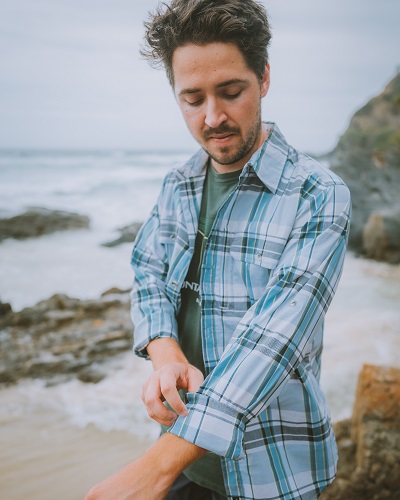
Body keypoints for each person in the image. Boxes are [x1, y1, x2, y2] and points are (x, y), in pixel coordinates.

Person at [85, 0, 351, 499]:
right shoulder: (179, 183)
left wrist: (153, 470)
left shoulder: (318, 193)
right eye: (192, 99)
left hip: (271, 470)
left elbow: (275, 339)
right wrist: (165, 355)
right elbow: (146, 271)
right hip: (187, 463)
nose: (213, 117)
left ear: (264, 78)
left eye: (231, 92)